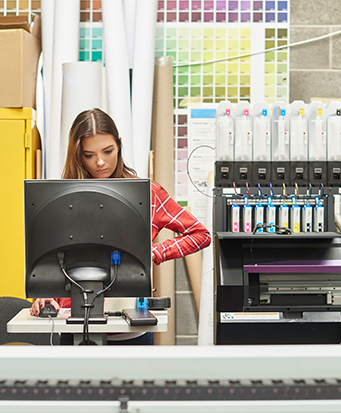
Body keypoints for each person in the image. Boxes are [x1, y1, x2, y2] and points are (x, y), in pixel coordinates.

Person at [30, 108, 211, 345]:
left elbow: (200, 234)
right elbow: (54, 257)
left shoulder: (147, 194)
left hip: (130, 330)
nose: (101, 162)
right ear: (77, 155)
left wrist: (154, 252)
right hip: (73, 327)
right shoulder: (60, 199)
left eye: (108, 151)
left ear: (119, 145)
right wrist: (46, 297)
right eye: (89, 155)